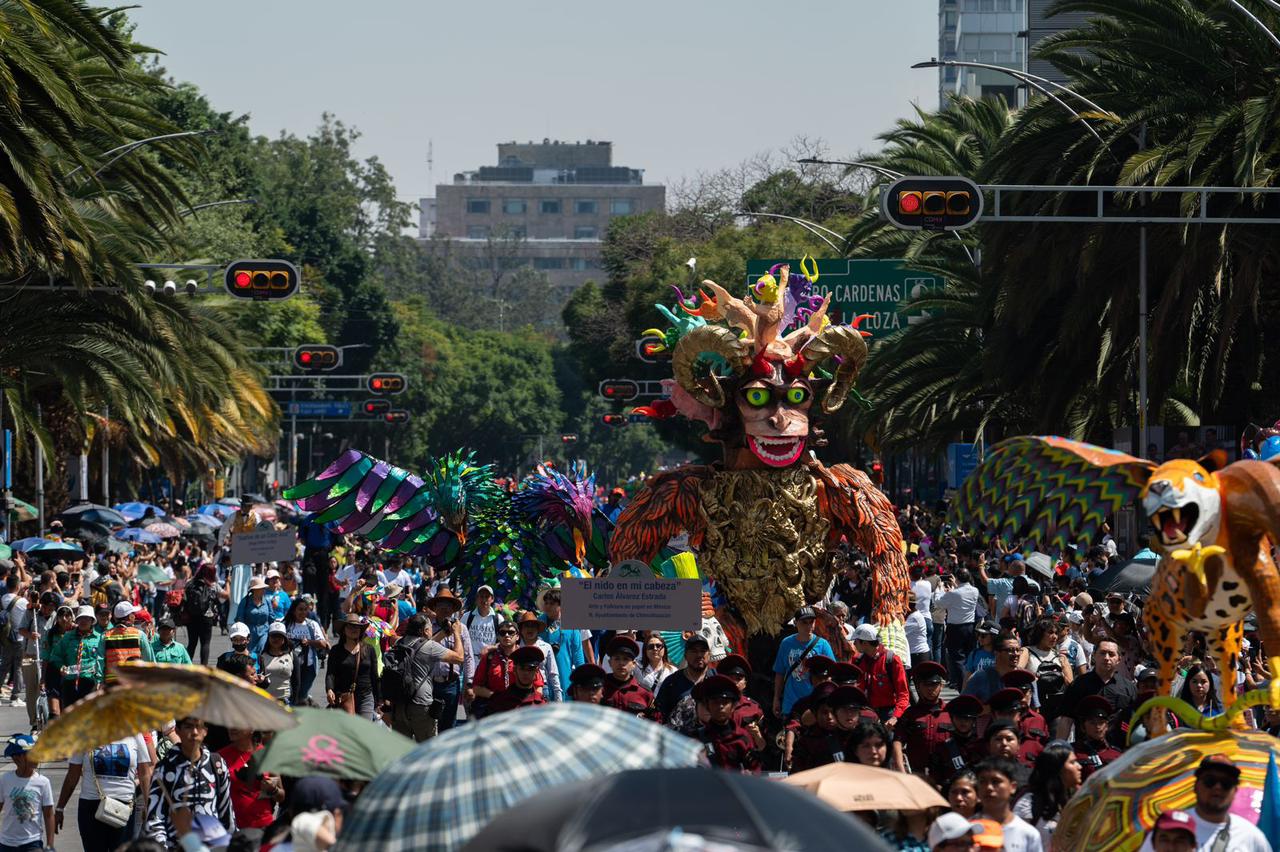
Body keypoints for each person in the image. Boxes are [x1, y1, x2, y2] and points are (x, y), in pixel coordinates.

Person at [1137, 756, 1272, 852]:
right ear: (1195, 786)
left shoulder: (1252, 837)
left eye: (1226, 783)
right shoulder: (1168, 828)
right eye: (1210, 781)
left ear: (1235, 791)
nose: (1217, 787)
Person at [144, 717, 235, 848]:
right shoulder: (165, 768)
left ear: (205, 731)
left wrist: (229, 845)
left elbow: (226, 811)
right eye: (188, 727)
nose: (194, 732)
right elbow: (154, 819)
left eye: (199, 727)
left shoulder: (217, 764)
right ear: (177, 731)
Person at [56, 733, 154, 852]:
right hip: (91, 807)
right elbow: (73, 775)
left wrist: (149, 806)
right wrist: (60, 808)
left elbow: (145, 774)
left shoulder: (135, 733)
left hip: (124, 809)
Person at [385, 614, 462, 742]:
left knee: (402, 751)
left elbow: (420, 645)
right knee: (428, 750)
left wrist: (443, 633)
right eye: (430, 628)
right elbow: (459, 657)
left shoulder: (399, 642)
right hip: (421, 706)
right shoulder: (430, 647)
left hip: (398, 705)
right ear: (426, 631)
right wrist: (457, 633)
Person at [1056, 640, 1136, 740]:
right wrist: (1059, 746)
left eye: (1111, 654)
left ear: (1119, 659)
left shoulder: (1128, 687)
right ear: (1094, 656)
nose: (1106, 658)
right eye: (1102, 653)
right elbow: (1066, 720)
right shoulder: (1079, 684)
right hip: (1084, 749)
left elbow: (1135, 721)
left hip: (1119, 750)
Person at [216, 728, 280, 849]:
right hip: (232, 830)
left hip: (262, 828)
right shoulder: (219, 758)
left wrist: (273, 789)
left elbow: (281, 796)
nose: (231, 728)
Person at [1012, 742, 1081, 849]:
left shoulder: (1076, 800)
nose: (1079, 767)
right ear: (1057, 769)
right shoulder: (1029, 804)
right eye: (1072, 762)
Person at [772, 607, 835, 720]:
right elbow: (780, 673)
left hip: (814, 706)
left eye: (812, 622)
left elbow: (832, 674)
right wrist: (776, 698)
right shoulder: (786, 644)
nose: (809, 626)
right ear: (796, 623)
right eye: (804, 622)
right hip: (790, 704)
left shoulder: (823, 645)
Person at [425, 588, 473, 731]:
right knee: (429, 726)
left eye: (448, 605)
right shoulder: (427, 627)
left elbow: (468, 657)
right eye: (441, 605)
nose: (445, 608)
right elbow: (424, 649)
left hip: (451, 684)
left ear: (453, 609)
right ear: (435, 608)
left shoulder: (461, 628)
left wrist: (469, 684)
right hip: (430, 684)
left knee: (449, 726)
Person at [690, 675, 758, 772]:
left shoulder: (743, 739)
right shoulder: (697, 738)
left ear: (733, 706)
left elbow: (755, 771)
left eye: (725, 702)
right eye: (715, 702)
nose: (720, 706)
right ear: (707, 706)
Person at [974, 757, 1044, 852]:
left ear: (1013, 787)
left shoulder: (1028, 834)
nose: (989, 787)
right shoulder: (966, 830)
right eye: (982, 782)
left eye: (995, 781)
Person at [0, 734, 53, 852]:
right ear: (17, 758)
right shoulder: (5, 780)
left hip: (33, 843)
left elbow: (49, 814)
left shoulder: (43, 782)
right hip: (7, 844)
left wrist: (50, 845)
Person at [899, 661, 951, 778]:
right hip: (918, 774)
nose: (930, 689)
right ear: (918, 687)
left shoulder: (951, 712)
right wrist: (901, 770)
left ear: (941, 686)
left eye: (934, 684)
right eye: (926, 685)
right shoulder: (910, 714)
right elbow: (898, 741)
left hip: (946, 775)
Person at [853, 623, 910, 727]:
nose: (854, 644)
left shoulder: (891, 660)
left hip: (888, 714)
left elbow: (903, 693)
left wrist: (895, 717)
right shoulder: (857, 661)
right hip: (865, 712)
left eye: (855, 641)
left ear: (865, 643)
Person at [47, 606, 103, 712]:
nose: (83, 621)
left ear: (92, 621)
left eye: (87, 618)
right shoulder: (67, 637)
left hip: (91, 683)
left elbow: (103, 660)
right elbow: (55, 656)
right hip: (70, 683)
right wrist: (61, 666)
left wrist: (100, 680)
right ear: (76, 620)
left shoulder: (100, 639)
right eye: (81, 618)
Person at [325, 614, 379, 720]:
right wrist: (329, 689)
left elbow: (374, 676)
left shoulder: (369, 649)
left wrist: (379, 699)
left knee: (363, 729)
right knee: (347, 731)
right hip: (343, 696)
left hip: (365, 696)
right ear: (344, 630)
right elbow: (331, 673)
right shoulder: (336, 650)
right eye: (350, 626)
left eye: (357, 627)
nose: (354, 629)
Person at [938, 569, 982, 688]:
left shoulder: (954, 593)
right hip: (970, 627)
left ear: (957, 578)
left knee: (957, 659)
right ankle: (971, 684)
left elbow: (939, 604)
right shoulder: (975, 590)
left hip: (955, 628)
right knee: (969, 656)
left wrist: (941, 590)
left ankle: (964, 686)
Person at [654, 634, 711, 723]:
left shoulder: (716, 680)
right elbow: (659, 715)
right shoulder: (672, 682)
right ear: (685, 655)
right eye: (694, 651)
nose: (699, 655)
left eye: (703, 651)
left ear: (709, 654)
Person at [284, 597, 328, 707]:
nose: (303, 612)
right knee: (292, 694)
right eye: (300, 609)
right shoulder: (286, 624)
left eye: (305, 609)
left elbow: (323, 644)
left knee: (302, 694)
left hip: (309, 666)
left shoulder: (312, 624)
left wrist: (309, 642)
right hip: (290, 665)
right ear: (294, 610)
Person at [930, 695, 984, 784]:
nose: (963, 722)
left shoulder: (982, 746)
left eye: (967, 718)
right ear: (952, 719)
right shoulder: (942, 748)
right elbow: (936, 779)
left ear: (974, 720)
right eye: (959, 718)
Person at [101, 601, 155, 686]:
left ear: (115, 618)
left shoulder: (105, 636)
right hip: (134, 682)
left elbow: (100, 661)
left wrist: (99, 681)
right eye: (133, 614)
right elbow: (148, 660)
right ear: (130, 617)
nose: (134, 616)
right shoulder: (139, 635)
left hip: (112, 684)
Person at [485, 646, 548, 714]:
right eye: (522, 668)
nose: (526, 673)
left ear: (536, 672)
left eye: (530, 669)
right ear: (514, 670)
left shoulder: (542, 705)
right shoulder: (499, 702)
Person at [601, 636, 653, 715]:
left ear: (634, 664)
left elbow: (654, 722)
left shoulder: (645, 693)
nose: (621, 663)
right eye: (617, 659)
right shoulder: (599, 689)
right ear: (609, 662)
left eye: (626, 659)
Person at [964, 632, 1023, 703]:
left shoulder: (1025, 677)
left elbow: (1035, 709)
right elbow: (964, 706)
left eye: (1018, 650)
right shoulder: (980, 678)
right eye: (1010, 650)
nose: (1016, 654)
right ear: (997, 653)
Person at [515, 611, 560, 702]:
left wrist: (558, 698)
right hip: (519, 689)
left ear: (538, 629)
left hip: (543, 689)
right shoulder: (515, 647)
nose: (530, 629)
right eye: (527, 626)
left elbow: (553, 673)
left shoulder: (546, 647)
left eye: (533, 626)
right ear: (521, 630)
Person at [182, 565, 221, 666]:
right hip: (206, 617)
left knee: (192, 643)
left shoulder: (190, 583)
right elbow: (224, 596)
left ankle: (187, 665)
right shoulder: (213, 585)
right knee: (205, 643)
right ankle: (204, 667)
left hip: (191, 617)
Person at [259, 622, 296, 704]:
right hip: (265, 700)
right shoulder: (261, 656)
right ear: (268, 638)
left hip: (286, 701)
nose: (276, 639)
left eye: (279, 636)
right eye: (273, 636)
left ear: (284, 639)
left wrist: (295, 702)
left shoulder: (291, 656)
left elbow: (296, 681)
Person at [235, 577, 273, 656]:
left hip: (264, 632)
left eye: (263, 588)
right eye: (261, 588)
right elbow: (239, 618)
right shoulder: (245, 601)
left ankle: (261, 667)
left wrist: (273, 629)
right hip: (250, 633)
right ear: (254, 590)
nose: (264, 590)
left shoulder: (267, 601)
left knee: (261, 651)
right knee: (249, 654)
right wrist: (241, 633)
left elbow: (271, 617)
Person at [463, 584, 506, 652]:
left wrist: (491, 648)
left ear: (492, 599)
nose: (484, 600)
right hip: (470, 661)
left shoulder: (498, 619)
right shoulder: (466, 617)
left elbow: (504, 641)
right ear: (477, 598)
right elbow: (459, 637)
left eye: (487, 597)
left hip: (490, 660)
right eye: (481, 596)